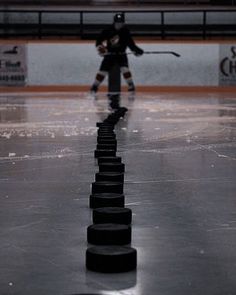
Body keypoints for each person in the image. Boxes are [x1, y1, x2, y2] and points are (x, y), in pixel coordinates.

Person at [90, 13, 144, 95]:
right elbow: (98, 41)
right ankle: (95, 86)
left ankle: (131, 85)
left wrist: (137, 50)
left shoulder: (125, 31)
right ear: (114, 22)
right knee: (102, 72)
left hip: (121, 55)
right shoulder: (108, 30)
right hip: (110, 55)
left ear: (123, 23)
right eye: (118, 22)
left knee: (125, 69)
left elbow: (130, 44)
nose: (119, 24)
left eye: (121, 22)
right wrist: (101, 48)